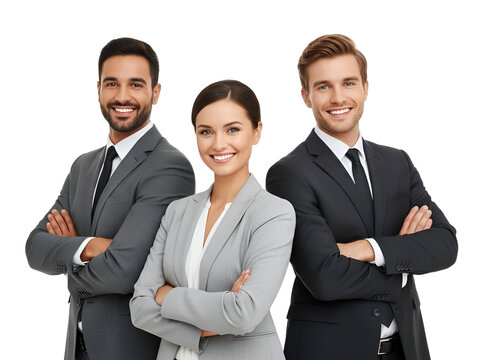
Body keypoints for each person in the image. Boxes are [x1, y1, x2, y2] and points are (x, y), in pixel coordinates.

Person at [266, 34, 458, 360]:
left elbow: (445, 244)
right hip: (329, 350)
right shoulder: (289, 174)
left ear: (365, 88)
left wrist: (367, 249)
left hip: (406, 348)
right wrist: (402, 260)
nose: (338, 97)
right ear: (305, 96)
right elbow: (323, 276)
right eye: (324, 86)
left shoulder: (397, 162)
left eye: (349, 83)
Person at [25, 37, 195, 360]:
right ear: (99, 88)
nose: (122, 96)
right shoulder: (82, 166)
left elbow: (124, 271)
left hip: (130, 350)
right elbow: (34, 247)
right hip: (76, 351)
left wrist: (68, 257)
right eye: (112, 83)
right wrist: (89, 246)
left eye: (135, 84)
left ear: (155, 93)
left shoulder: (169, 166)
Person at [130, 80, 295, 360]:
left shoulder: (274, 213)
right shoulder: (177, 211)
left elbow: (244, 314)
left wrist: (166, 296)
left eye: (233, 129)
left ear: (256, 132)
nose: (219, 143)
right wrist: (214, 320)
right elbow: (140, 308)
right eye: (206, 132)